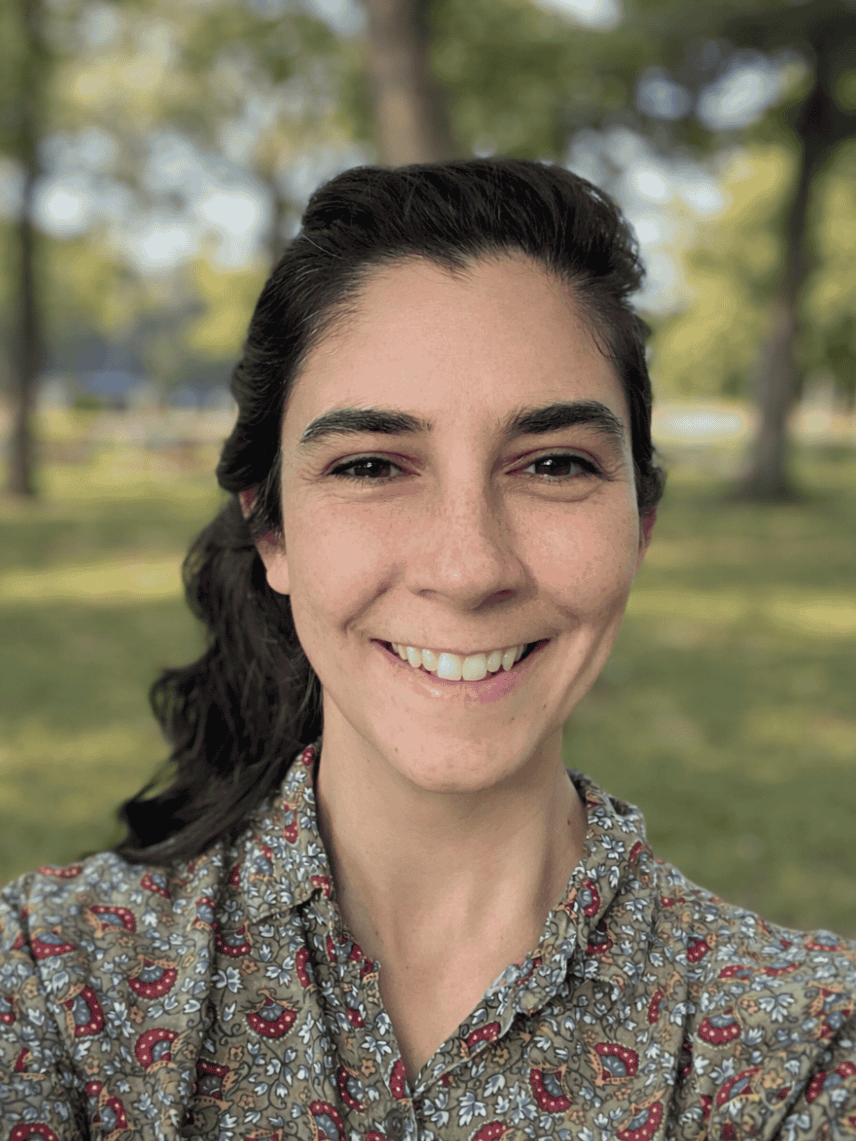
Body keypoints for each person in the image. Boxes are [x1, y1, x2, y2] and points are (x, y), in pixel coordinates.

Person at [1, 158, 854, 1141]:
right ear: (270, 530)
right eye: (370, 464)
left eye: (553, 464)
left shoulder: (804, 1047)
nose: (468, 566)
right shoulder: (53, 985)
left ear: (640, 519)